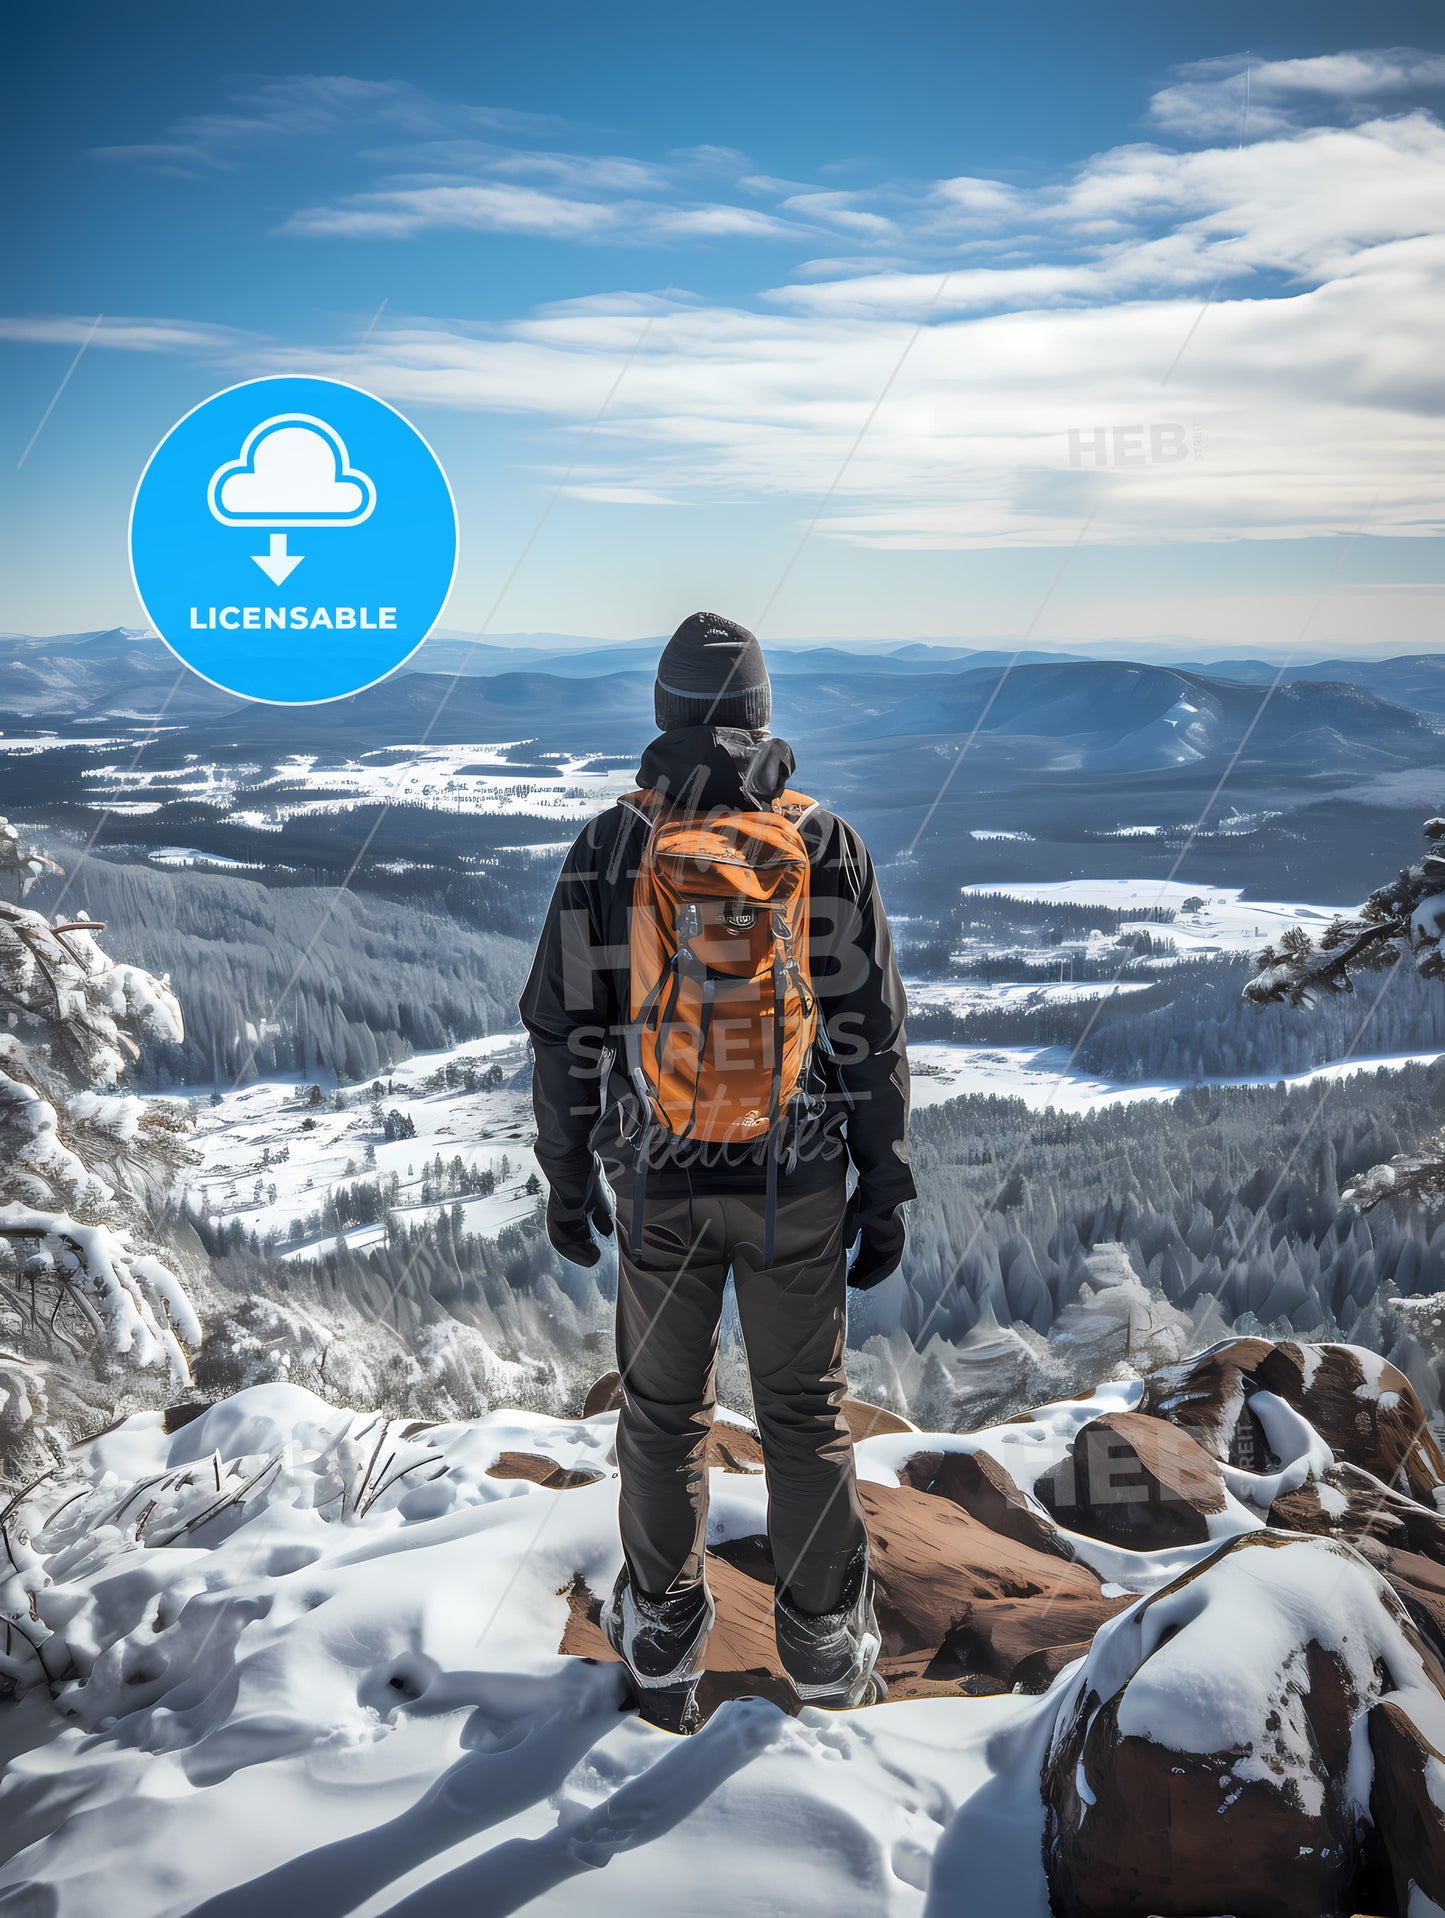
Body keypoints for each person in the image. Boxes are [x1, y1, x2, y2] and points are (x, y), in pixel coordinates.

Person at [521, 610, 914, 1732]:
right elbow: (867, 1029)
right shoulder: (821, 840)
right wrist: (882, 1182)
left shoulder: (611, 846)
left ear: (662, 712)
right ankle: (825, 1645)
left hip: (658, 1184)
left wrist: (566, 1174)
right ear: (758, 715)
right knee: (802, 1413)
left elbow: (562, 1025)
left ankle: (659, 1633)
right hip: (796, 1179)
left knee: (659, 1416)